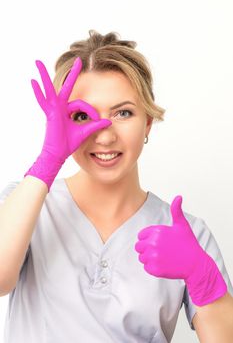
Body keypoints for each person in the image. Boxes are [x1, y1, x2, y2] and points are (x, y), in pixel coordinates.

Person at [0, 30, 232, 343]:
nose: (105, 136)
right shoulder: (27, 203)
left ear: (147, 122)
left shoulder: (188, 233)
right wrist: (48, 160)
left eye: (123, 113)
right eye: (82, 115)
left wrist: (204, 280)